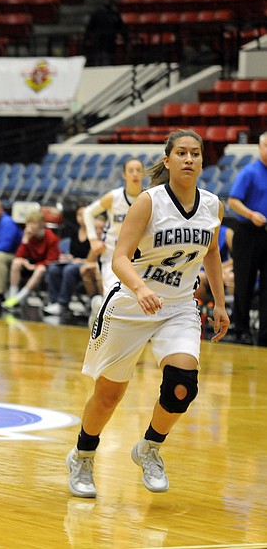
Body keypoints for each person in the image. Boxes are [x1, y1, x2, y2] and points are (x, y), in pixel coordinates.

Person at [66, 129, 229, 499]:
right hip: (131, 303)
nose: (189, 159)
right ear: (168, 160)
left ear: (203, 161)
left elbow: (213, 254)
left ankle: (150, 448)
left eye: (196, 153)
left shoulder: (212, 206)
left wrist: (219, 302)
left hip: (179, 305)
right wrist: (140, 289)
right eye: (182, 153)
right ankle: (83, 455)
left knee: (182, 386)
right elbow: (119, 257)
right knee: (109, 394)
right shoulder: (148, 202)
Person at [83, 157, 146, 327]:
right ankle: (99, 306)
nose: (135, 174)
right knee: (113, 296)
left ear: (143, 173)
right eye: (131, 170)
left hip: (139, 257)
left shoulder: (148, 198)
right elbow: (88, 213)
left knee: (137, 298)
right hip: (112, 254)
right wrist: (93, 239)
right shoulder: (114, 197)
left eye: (138, 170)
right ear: (124, 175)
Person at [227, 131, 267, 345]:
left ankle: (264, 335)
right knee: (244, 282)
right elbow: (233, 201)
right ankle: (241, 330)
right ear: (260, 148)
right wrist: (251, 214)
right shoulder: (249, 172)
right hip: (248, 233)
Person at [1, 211, 60, 310]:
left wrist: (35, 266)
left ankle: (19, 298)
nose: (31, 227)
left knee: (40, 269)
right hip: (31, 264)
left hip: (44, 267)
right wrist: (25, 240)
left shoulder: (51, 238)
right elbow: (19, 256)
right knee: (16, 263)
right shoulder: (29, 236)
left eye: (34, 223)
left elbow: (51, 260)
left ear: (41, 225)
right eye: (29, 223)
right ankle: (12, 295)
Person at [43, 206, 94, 316]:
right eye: (79, 215)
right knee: (53, 269)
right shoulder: (74, 232)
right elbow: (71, 252)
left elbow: (95, 255)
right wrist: (67, 257)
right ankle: (53, 301)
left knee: (68, 270)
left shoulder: (93, 233)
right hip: (74, 262)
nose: (82, 218)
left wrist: (82, 260)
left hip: (87, 263)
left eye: (84, 214)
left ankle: (63, 303)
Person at [84, 0, 127, 66]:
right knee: (99, 59)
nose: (106, 1)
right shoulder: (97, 13)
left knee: (109, 60)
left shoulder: (114, 13)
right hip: (99, 41)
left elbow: (121, 27)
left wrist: (126, 39)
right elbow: (90, 27)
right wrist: (87, 38)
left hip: (110, 41)